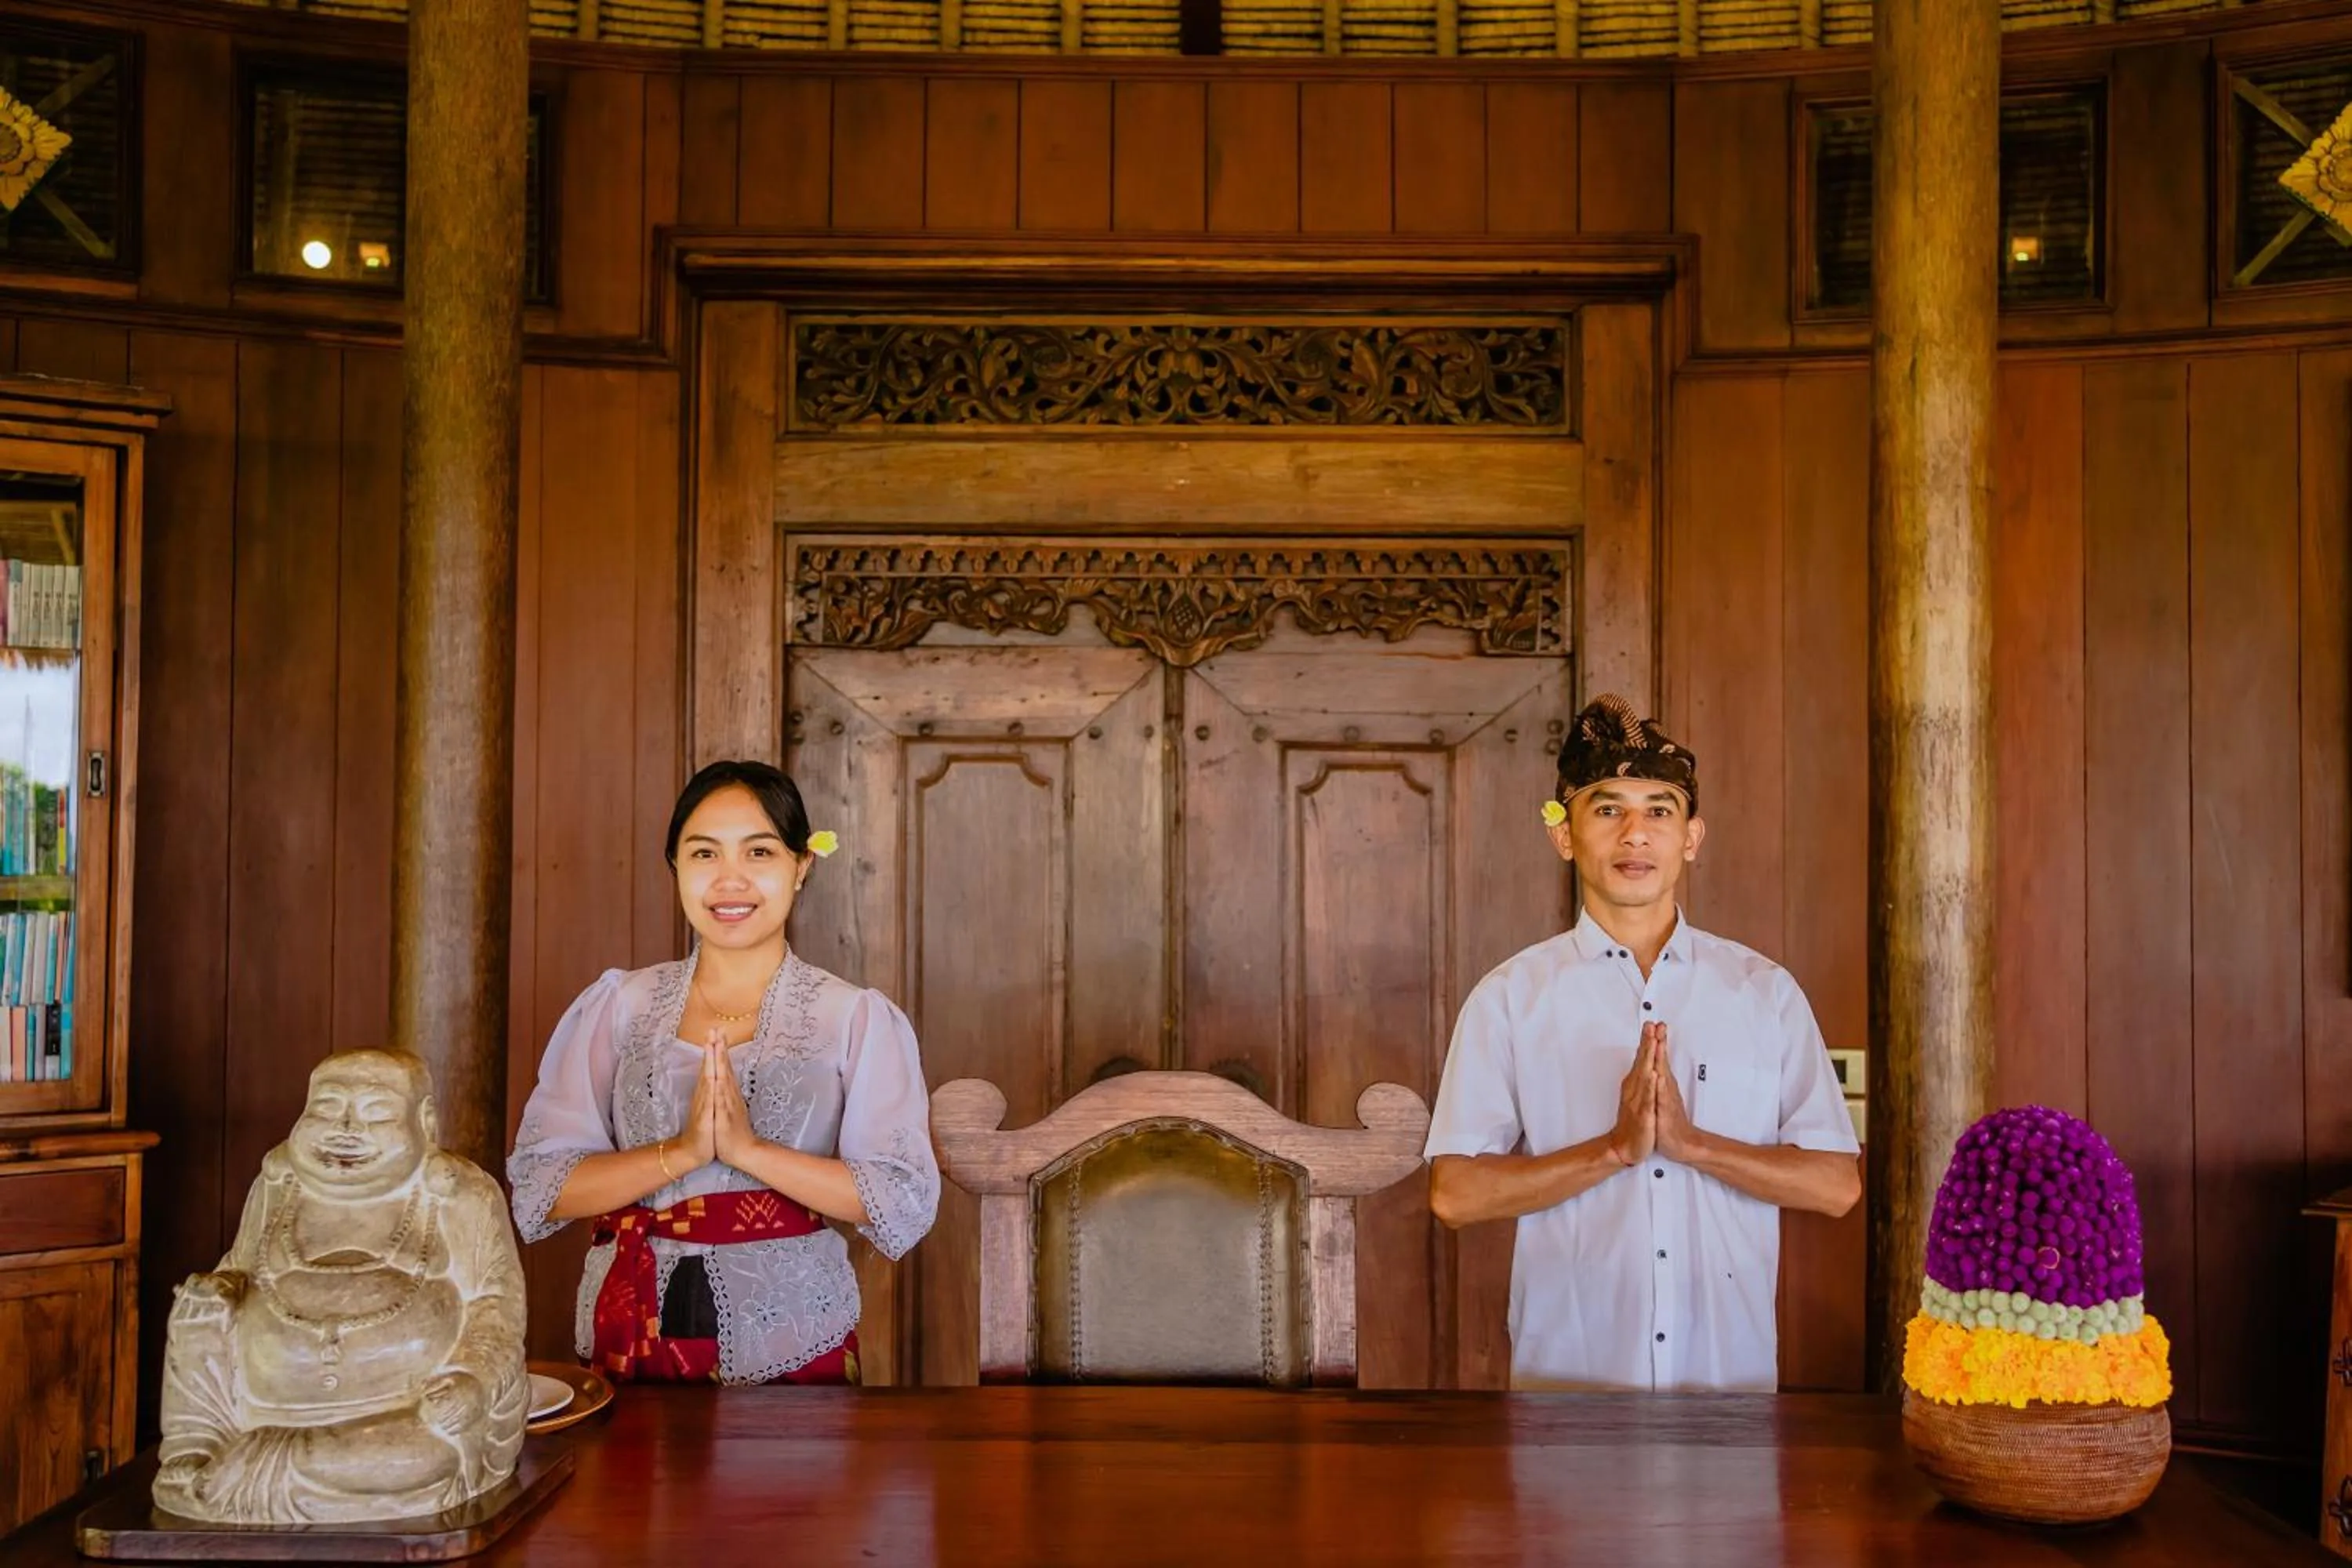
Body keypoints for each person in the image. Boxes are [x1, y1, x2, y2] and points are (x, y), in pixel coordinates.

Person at [1424, 695, 1860, 1392]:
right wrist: (1613, 1151)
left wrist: (1694, 1147)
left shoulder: (1764, 992)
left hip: (1728, 1388)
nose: (1636, 833)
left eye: (1659, 809)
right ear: (1564, 835)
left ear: (1691, 837)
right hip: (1567, 1386)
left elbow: (1836, 1186)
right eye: (1607, 809)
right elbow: (1455, 1194)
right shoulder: (1510, 998)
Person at [507, 760, 938, 1385]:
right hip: (628, 1318)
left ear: (801, 867)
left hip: (793, 1332)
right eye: (704, 853)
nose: (730, 880)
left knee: (789, 1484)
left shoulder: (854, 1019)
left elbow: (900, 1199)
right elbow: (543, 1184)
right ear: (676, 867)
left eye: (759, 851)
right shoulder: (618, 1006)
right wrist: (680, 1154)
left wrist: (748, 1151)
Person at [156, 1049, 527, 1523]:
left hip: (400, 1429)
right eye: (326, 1109)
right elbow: (238, 1270)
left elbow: (497, 1306)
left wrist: (472, 1382)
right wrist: (214, 1294)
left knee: (423, 1458)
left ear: (426, 1124)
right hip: (266, 1405)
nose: (346, 1130)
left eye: (376, 1114)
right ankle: (197, 1452)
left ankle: (249, 1470)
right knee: (197, 1316)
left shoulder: (458, 1195)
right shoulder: (279, 1185)